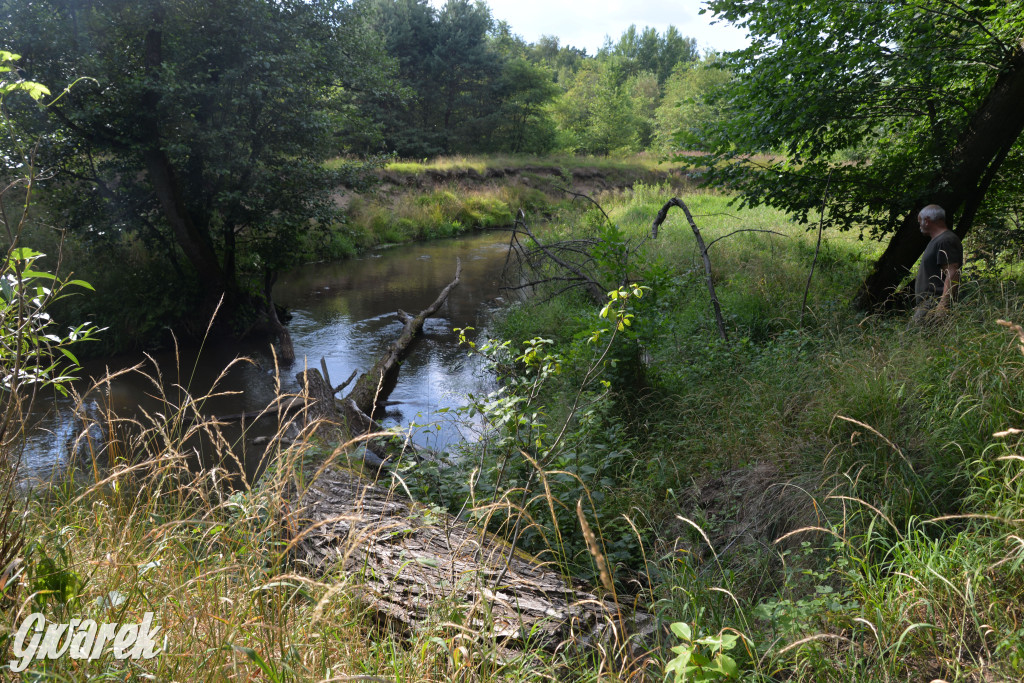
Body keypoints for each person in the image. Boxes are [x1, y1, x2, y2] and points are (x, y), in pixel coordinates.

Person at [913, 204, 962, 323]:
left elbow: (953, 272)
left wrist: (943, 305)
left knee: (914, 336)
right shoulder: (937, 240)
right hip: (928, 303)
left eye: (920, 222)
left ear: (927, 221)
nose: (919, 226)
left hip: (934, 302)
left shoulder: (945, 241)